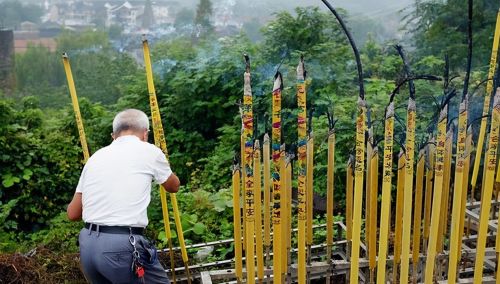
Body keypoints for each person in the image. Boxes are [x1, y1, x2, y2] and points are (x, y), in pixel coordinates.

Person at [67, 108, 180, 283]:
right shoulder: (149, 151)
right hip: (122, 247)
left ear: (114, 136)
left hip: (88, 245)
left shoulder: (95, 158)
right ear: (145, 134)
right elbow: (173, 186)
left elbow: (72, 213)